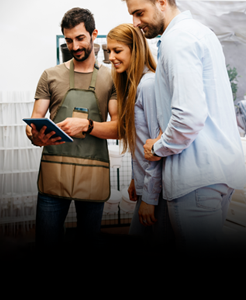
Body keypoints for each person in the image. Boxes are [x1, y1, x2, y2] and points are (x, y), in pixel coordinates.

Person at [124, 0, 246, 252]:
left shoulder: (176, 39)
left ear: (161, 3)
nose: (135, 22)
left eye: (139, 13)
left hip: (194, 176)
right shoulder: (203, 33)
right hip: (219, 173)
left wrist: (157, 147)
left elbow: (188, 115)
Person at [26, 7, 118, 252]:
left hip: (93, 175)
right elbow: (35, 120)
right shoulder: (50, 76)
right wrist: (35, 136)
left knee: (88, 246)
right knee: (46, 246)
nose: (74, 46)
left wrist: (86, 125)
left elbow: (118, 127)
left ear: (93, 34)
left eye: (80, 38)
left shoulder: (111, 79)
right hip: (54, 175)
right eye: (68, 40)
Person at [106, 23, 174, 249]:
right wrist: (137, 179)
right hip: (147, 186)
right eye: (109, 51)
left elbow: (156, 148)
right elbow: (139, 141)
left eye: (117, 51)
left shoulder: (149, 84)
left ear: (135, 50)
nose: (111, 57)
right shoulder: (134, 86)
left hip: (158, 192)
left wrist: (150, 198)